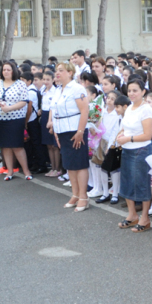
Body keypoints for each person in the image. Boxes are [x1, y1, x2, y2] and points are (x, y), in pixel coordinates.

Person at [48, 62, 90, 212]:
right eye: (56, 70)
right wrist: (57, 132)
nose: (57, 73)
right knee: (69, 165)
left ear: (70, 73)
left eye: (61, 70)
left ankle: (83, 197)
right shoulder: (58, 90)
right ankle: (75, 194)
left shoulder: (77, 88)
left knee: (79, 163)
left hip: (75, 129)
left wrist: (80, 131)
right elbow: (55, 110)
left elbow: (84, 111)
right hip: (62, 130)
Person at [116, 78, 152, 233]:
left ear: (143, 92)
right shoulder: (130, 107)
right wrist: (120, 136)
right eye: (129, 90)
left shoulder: (146, 109)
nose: (131, 93)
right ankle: (132, 215)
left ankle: (145, 218)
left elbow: (147, 135)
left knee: (141, 184)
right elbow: (125, 127)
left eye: (135, 90)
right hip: (127, 149)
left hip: (141, 151)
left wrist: (128, 138)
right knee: (126, 182)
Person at [0, 61, 32, 181]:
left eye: (8, 70)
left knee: (17, 146)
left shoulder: (20, 84)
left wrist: (9, 108)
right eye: (4, 70)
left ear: (13, 71)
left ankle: (26, 171)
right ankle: (9, 171)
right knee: (5, 146)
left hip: (15, 119)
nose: (5, 72)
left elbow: (24, 101)